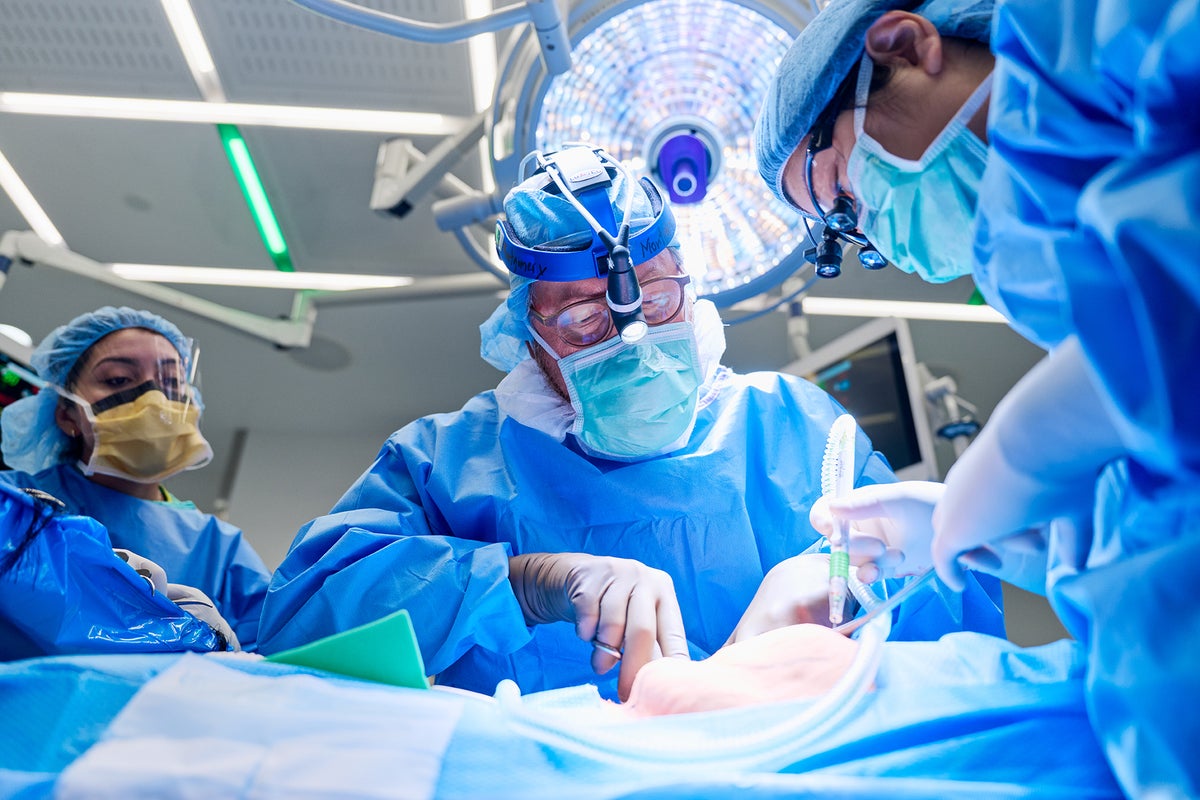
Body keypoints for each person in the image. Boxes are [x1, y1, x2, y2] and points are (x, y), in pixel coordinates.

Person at [257, 144, 1003, 702]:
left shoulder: (790, 427)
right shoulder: (445, 463)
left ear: (689, 279)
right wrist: (517, 581)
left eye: (657, 298)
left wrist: (844, 585)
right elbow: (295, 621)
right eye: (585, 321)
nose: (632, 338)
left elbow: (953, 640)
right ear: (526, 332)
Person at [755, 0, 1198, 795]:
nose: (871, 239)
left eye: (844, 198)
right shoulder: (1051, 264)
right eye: (844, 235)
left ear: (905, 44)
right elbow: (1168, 503)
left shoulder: (1111, 26)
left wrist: (1025, 451)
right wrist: (1025, 532)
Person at [0, 306, 271, 652]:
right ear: (67, 415)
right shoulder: (16, 504)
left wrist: (231, 652)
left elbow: (271, 661)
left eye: (172, 383)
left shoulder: (219, 549)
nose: (155, 401)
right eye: (118, 380)